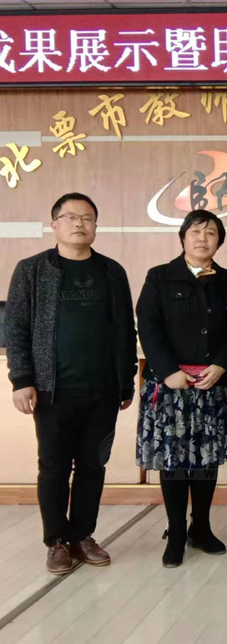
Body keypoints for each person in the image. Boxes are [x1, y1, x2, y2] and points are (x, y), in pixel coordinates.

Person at [5, 193, 137, 575]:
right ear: (55, 224)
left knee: (93, 466)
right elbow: (15, 327)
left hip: (103, 391)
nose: (80, 223)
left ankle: (82, 536)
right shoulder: (32, 270)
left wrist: (126, 381)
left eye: (87, 218)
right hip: (52, 391)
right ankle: (56, 541)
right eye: (71, 217)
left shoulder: (112, 271)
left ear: (95, 226)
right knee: (53, 468)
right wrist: (21, 379)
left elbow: (124, 331)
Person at [136, 210, 227, 568]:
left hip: (212, 384)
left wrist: (222, 364)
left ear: (219, 241)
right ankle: (176, 531)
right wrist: (168, 371)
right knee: (174, 462)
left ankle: (202, 527)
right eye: (196, 231)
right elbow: (148, 327)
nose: (202, 238)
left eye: (211, 233)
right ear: (182, 238)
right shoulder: (160, 276)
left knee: (206, 461)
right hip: (171, 388)